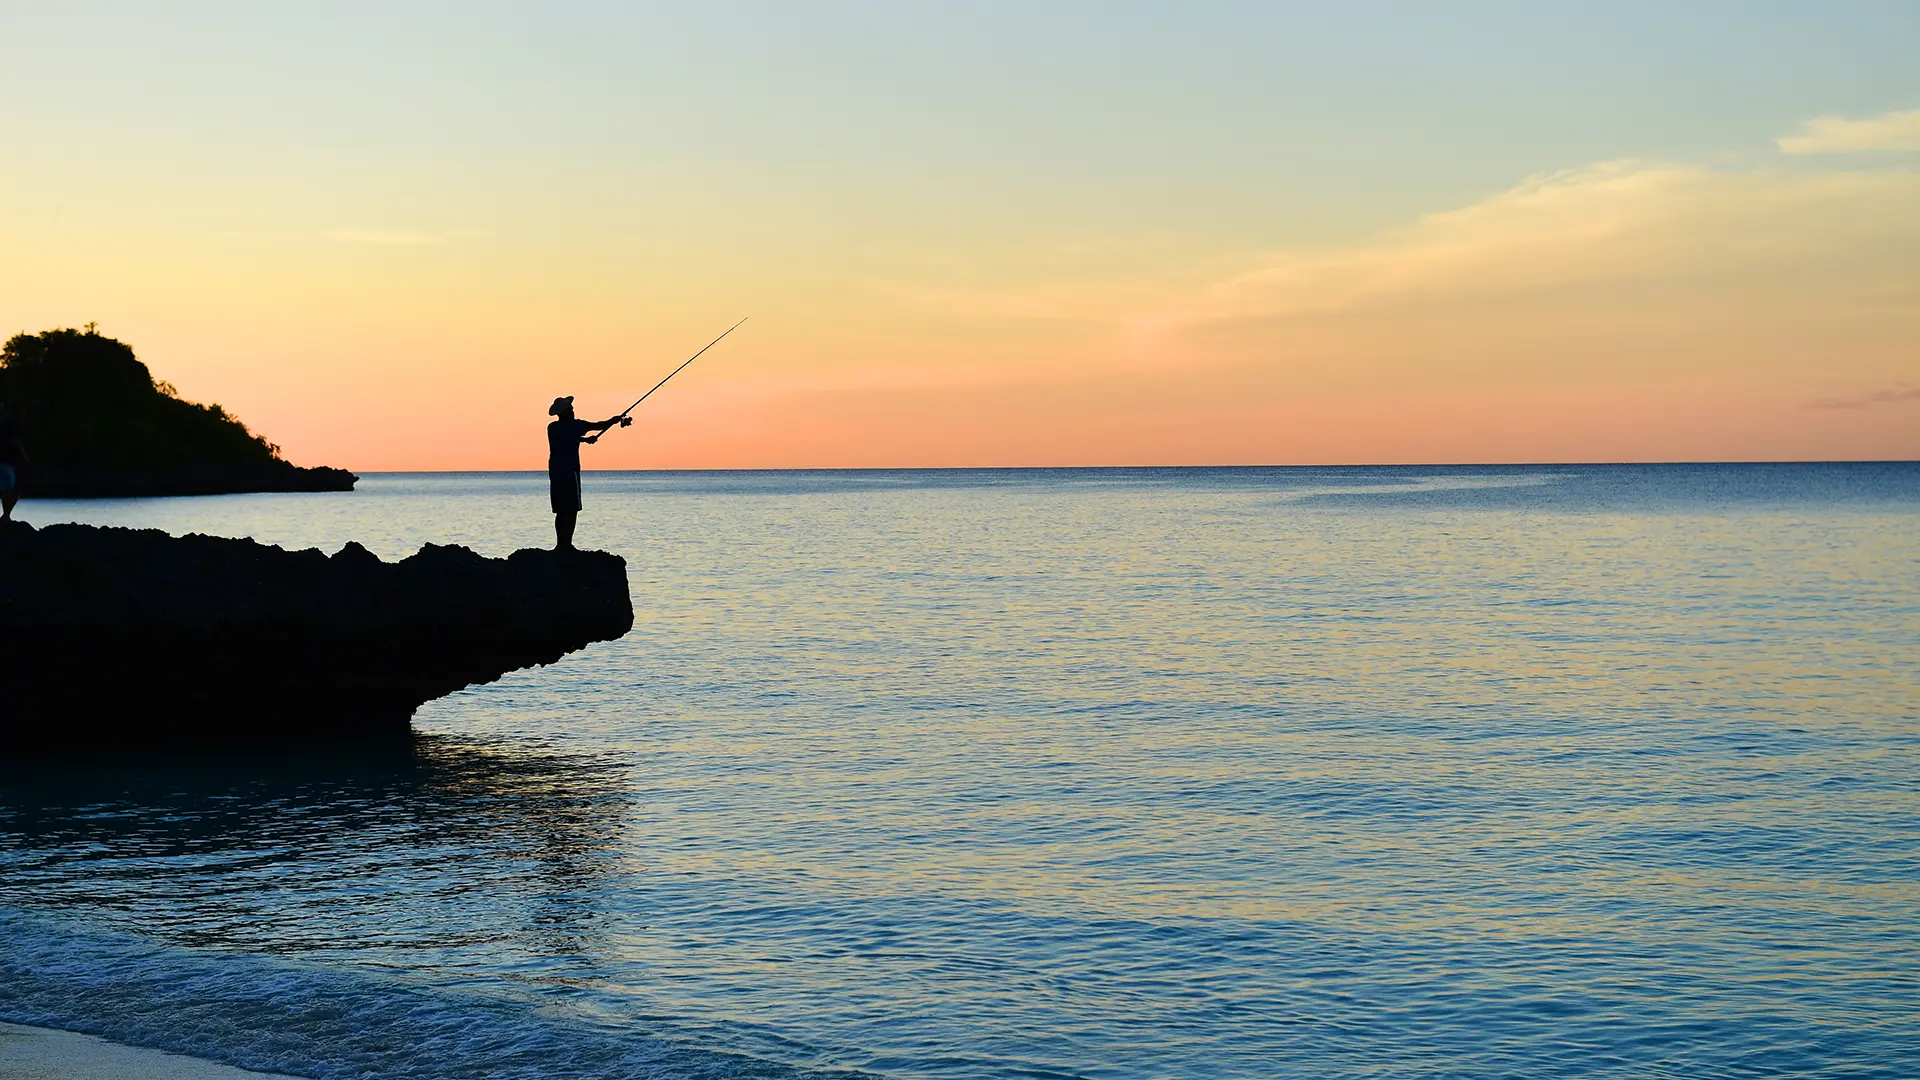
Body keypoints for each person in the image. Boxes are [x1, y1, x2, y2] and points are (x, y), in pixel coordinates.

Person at [547, 396, 630, 550]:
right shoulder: (576, 425)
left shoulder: (552, 428)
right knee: (572, 509)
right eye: (571, 409)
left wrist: (584, 440)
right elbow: (599, 425)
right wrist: (614, 420)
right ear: (565, 412)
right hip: (570, 471)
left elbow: (568, 438)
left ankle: (561, 544)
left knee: (560, 509)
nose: (573, 411)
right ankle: (567, 544)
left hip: (556, 471)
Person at [0, 402, 24, 522]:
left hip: (7, 461)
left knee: (9, 488)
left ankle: (6, 515)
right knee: (10, 488)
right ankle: (6, 515)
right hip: (8, 460)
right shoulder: (11, 423)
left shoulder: (6, 422)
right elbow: (16, 442)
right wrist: (24, 457)